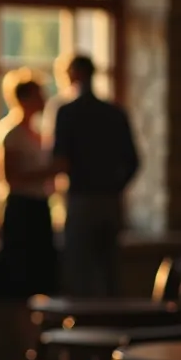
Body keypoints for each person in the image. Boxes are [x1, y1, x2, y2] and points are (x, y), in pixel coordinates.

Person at [50, 53, 140, 297]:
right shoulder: (115, 113)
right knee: (110, 272)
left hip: (81, 198)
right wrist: (114, 187)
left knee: (79, 272)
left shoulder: (67, 113)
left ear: (74, 75)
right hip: (110, 201)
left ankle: (83, 330)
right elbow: (133, 161)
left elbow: (60, 159)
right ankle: (111, 326)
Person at [0, 68, 60, 303]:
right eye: (38, 95)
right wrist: (49, 172)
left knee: (42, 278)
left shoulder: (39, 133)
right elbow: (11, 178)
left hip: (40, 207)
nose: (44, 100)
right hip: (22, 210)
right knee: (21, 281)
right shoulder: (11, 134)